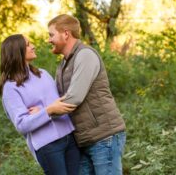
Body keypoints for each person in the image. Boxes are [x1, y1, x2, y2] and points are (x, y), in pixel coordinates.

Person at [46, 14, 126, 175]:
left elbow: (74, 98)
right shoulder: (62, 65)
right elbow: (55, 98)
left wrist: (44, 113)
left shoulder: (85, 55)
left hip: (104, 136)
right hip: (83, 140)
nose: (49, 40)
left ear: (66, 34)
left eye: (51, 35)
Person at [0, 34, 80, 175]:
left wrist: (44, 110)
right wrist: (48, 111)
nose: (33, 46)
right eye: (28, 44)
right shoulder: (10, 88)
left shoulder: (43, 74)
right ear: (17, 51)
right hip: (48, 146)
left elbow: (60, 104)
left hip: (69, 137)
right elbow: (22, 124)